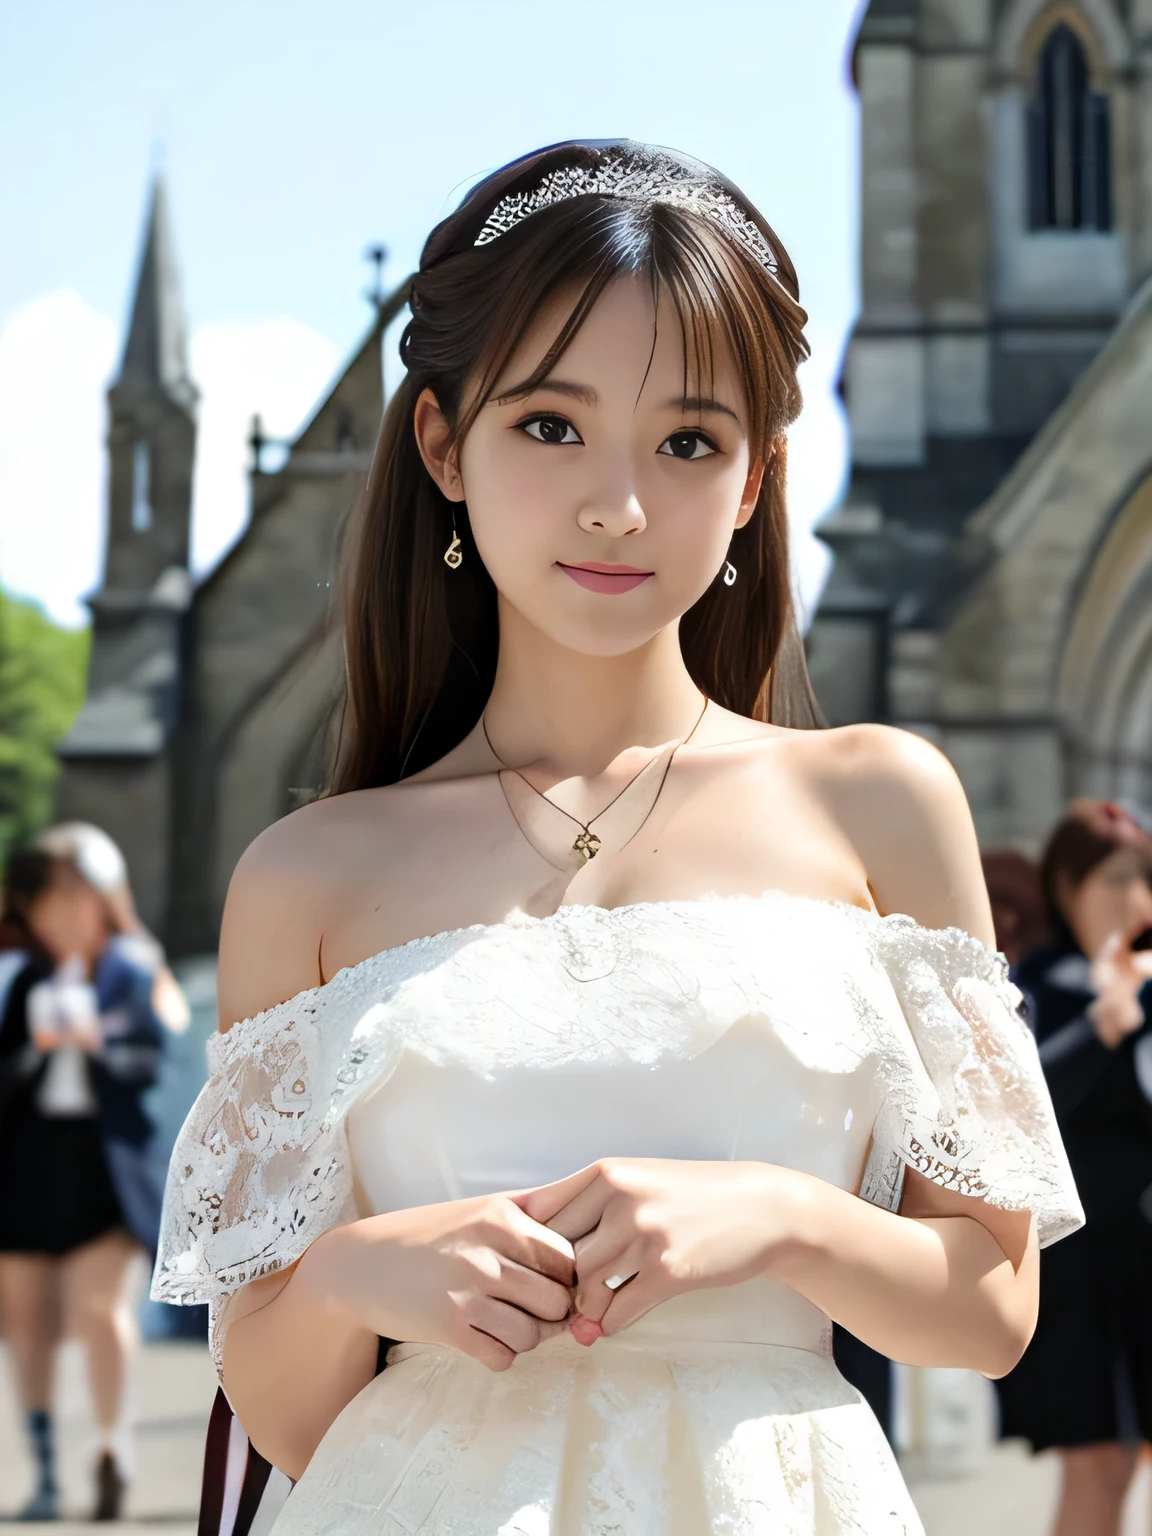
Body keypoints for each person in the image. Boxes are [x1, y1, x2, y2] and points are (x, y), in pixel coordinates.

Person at [153, 139, 1083, 1534]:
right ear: (441, 444)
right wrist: (360, 1274)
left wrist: (777, 1219)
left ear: (756, 481)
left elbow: (992, 1306)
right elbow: (284, 1415)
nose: (619, 503)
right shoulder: (308, 874)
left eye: (689, 442)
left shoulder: (879, 799)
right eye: (549, 424)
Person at [0, 824, 171, 1522]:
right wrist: (40, 1051)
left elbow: (150, 1060)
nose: (67, 913)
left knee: (102, 1311)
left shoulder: (130, 970)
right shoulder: (23, 977)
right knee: (28, 1326)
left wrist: (96, 1042)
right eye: (53, 900)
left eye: (79, 896)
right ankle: (42, 1469)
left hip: (105, 1169)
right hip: (26, 1166)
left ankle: (112, 1449)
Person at [994, 800, 1152, 1536]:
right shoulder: (1036, 989)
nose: (1134, 898)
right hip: (1069, 1274)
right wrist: (1101, 1024)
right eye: (1115, 879)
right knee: (1095, 1467)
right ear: (1067, 885)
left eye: (1144, 879)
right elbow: (1014, 1102)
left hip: (1139, 1270)